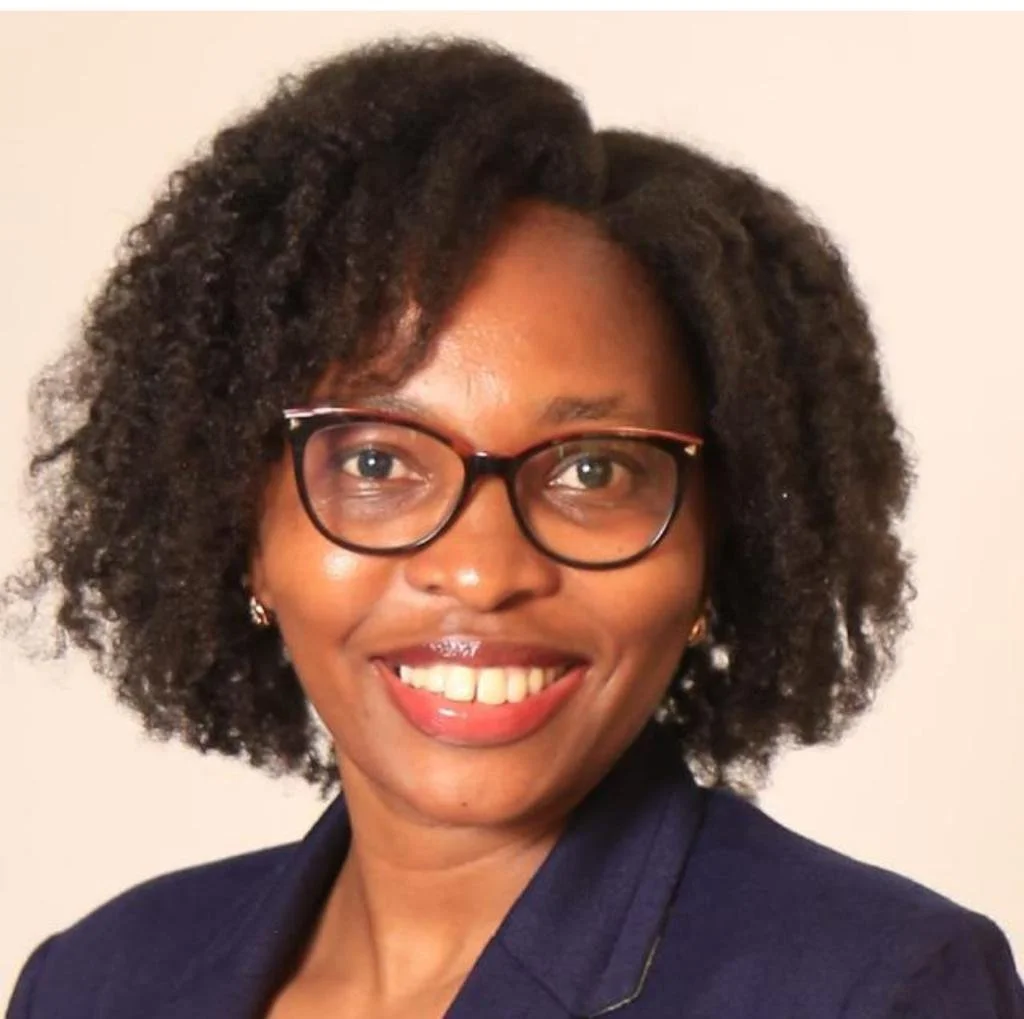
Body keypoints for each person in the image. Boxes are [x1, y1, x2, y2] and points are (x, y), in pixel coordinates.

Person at [3, 35, 1022, 1019]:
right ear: (243, 526)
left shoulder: (874, 989)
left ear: (717, 545)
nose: (482, 570)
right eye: (376, 462)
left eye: (592, 469)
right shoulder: (94, 982)